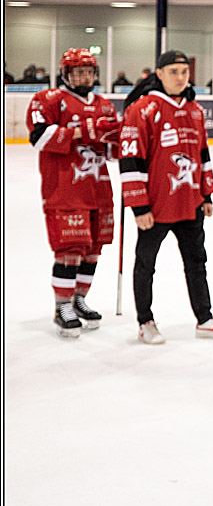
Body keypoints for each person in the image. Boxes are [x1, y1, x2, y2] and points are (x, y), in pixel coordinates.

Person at [120, 50, 213, 345]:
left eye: (184, 72)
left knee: (196, 262)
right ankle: (145, 321)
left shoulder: (194, 110)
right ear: (158, 74)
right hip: (155, 206)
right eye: (173, 71)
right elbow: (130, 159)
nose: (180, 77)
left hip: (190, 203)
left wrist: (207, 193)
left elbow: (202, 155)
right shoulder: (143, 109)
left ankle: (205, 319)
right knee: (146, 263)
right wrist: (138, 205)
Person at [26, 49, 119, 338]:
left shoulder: (104, 105)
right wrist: (83, 131)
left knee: (93, 251)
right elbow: (38, 136)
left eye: (89, 72)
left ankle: (79, 299)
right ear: (65, 73)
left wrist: (120, 137)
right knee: (69, 250)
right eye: (78, 72)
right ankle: (62, 306)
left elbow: (112, 151)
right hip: (64, 190)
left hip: (98, 190)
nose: (84, 77)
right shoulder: (48, 100)